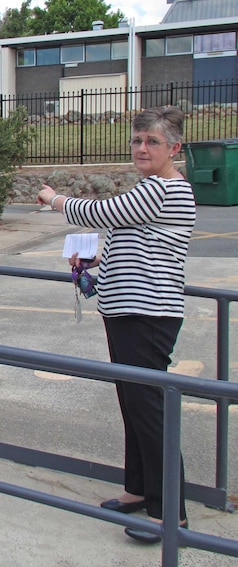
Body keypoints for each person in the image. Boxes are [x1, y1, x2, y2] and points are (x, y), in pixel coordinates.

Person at [36, 106, 196, 544]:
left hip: (148, 313)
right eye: (137, 141)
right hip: (128, 309)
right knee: (134, 403)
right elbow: (130, 237)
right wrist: (93, 260)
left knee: (149, 409)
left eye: (153, 142)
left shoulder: (164, 189)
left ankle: (170, 514)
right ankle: (139, 490)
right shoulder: (151, 189)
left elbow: (101, 212)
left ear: (174, 148)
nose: (142, 148)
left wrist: (55, 201)